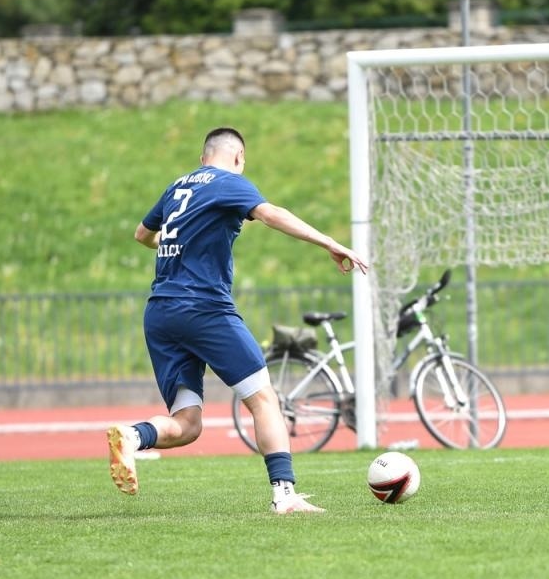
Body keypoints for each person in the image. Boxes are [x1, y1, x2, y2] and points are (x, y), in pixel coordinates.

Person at [106, 127, 369, 515]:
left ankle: (132, 436)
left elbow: (142, 234)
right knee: (264, 400)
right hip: (204, 309)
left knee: (188, 424)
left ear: (202, 158)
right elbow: (271, 214)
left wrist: (176, 246)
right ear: (239, 158)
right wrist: (330, 242)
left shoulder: (177, 187)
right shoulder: (229, 182)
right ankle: (284, 495)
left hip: (161, 313)